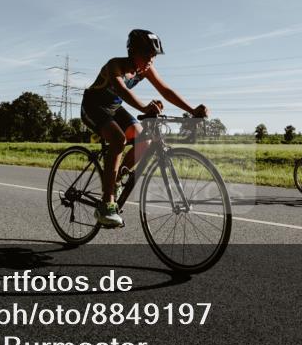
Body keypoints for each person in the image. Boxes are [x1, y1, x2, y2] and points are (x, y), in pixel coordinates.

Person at [81, 29, 208, 228]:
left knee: (145, 141)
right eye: (147, 54)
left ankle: (116, 178)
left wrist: (192, 110)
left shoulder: (145, 70)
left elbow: (165, 90)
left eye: (154, 56)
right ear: (132, 52)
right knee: (118, 139)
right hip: (93, 106)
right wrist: (143, 107)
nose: (150, 60)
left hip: (113, 108)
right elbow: (122, 91)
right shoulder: (115, 65)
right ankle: (106, 204)